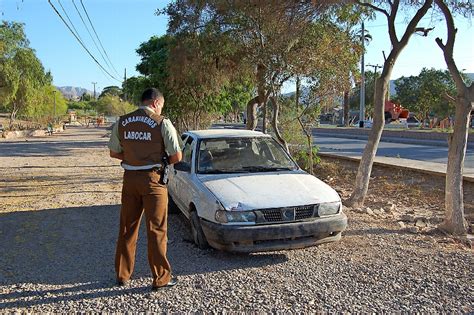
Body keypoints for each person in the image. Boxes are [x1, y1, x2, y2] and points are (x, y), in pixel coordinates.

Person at [108, 88, 182, 291]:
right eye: (161, 106)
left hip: (130, 179)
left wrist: (133, 158)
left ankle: (122, 276)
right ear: (156, 103)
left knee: (127, 228)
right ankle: (160, 279)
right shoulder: (162, 122)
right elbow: (177, 157)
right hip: (153, 181)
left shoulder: (122, 122)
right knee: (157, 229)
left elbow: (114, 152)